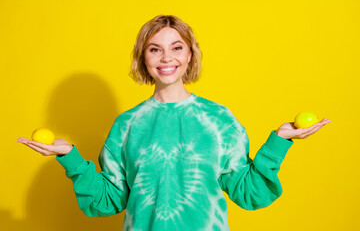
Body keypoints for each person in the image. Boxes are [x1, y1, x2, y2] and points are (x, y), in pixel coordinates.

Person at [17, 15, 331, 231]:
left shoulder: (219, 119)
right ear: (143, 58)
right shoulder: (127, 125)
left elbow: (249, 192)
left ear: (191, 55)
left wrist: (279, 140)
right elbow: (108, 199)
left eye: (176, 48)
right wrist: (69, 155)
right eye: (155, 49)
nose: (167, 58)